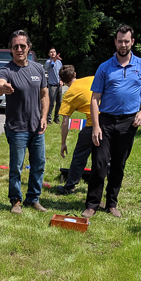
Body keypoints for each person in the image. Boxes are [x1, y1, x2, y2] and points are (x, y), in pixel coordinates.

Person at [82, 25, 141, 219]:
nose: (123, 44)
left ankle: (111, 204)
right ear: (115, 42)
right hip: (106, 121)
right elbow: (94, 98)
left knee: (118, 164)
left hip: (129, 122)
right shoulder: (104, 67)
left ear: (132, 42)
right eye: (120, 41)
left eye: (127, 41)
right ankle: (91, 204)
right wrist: (96, 125)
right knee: (99, 163)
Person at [0, 30, 48, 214]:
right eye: (15, 46)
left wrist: (44, 117)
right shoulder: (6, 70)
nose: (19, 49)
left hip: (37, 127)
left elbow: (44, 95)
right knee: (16, 166)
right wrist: (3, 87)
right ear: (11, 48)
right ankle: (16, 201)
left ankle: (34, 199)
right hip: (17, 128)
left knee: (39, 164)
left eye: (22, 46)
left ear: (29, 48)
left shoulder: (38, 69)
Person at [55, 65, 95, 195]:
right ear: (75, 74)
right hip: (109, 121)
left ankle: (69, 186)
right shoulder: (91, 79)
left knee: (79, 156)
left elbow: (65, 121)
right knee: (105, 156)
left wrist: (63, 143)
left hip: (93, 124)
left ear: (62, 81)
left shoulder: (68, 95)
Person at [45, 47, 63, 125]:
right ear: (49, 54)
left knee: (59, 102)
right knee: (51, 103)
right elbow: (51, 64)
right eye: (51, 52)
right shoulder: (48, 62)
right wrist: (55, 59)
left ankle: (56, 118)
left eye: (54, 52)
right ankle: (49, 119)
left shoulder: (59, 62)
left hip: (59, 85)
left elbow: (61, 72)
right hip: (52, 86)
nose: (53, 53)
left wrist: (62, 80)